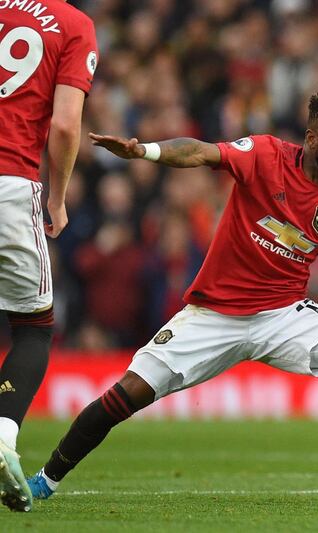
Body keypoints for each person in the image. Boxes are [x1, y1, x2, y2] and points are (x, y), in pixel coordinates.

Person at [25, 90, 318, 506]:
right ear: (313, 139)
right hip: (213, 315)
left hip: (284, 315)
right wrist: (145, 151)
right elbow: (199, 153)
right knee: (126, 395)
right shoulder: (266, 155)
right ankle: (44, 481)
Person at [0, 0, 97, 512]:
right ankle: (1, 434)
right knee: (33, 328)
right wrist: (56, 198)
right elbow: (63, 126)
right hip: (10, 184)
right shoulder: (73, 25)